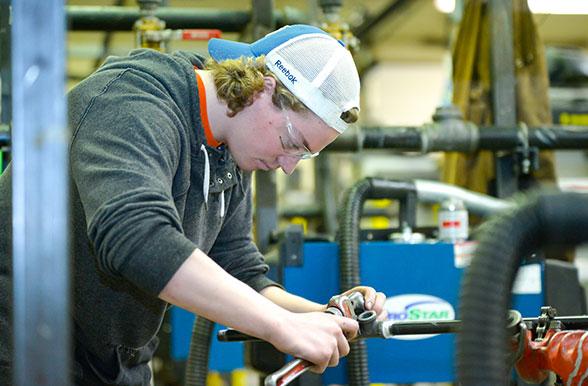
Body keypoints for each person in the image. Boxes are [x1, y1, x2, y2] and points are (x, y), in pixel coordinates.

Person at [0, 24, 386, 385]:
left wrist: (322, 317)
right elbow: (135, 237)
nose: (287, 168)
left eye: (304, 156)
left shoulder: (230, 149)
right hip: (22, 348)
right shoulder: (131, 103)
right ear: (263, 90)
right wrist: (282, 328)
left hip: (114, 362)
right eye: (292, 143)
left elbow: (236, 268)